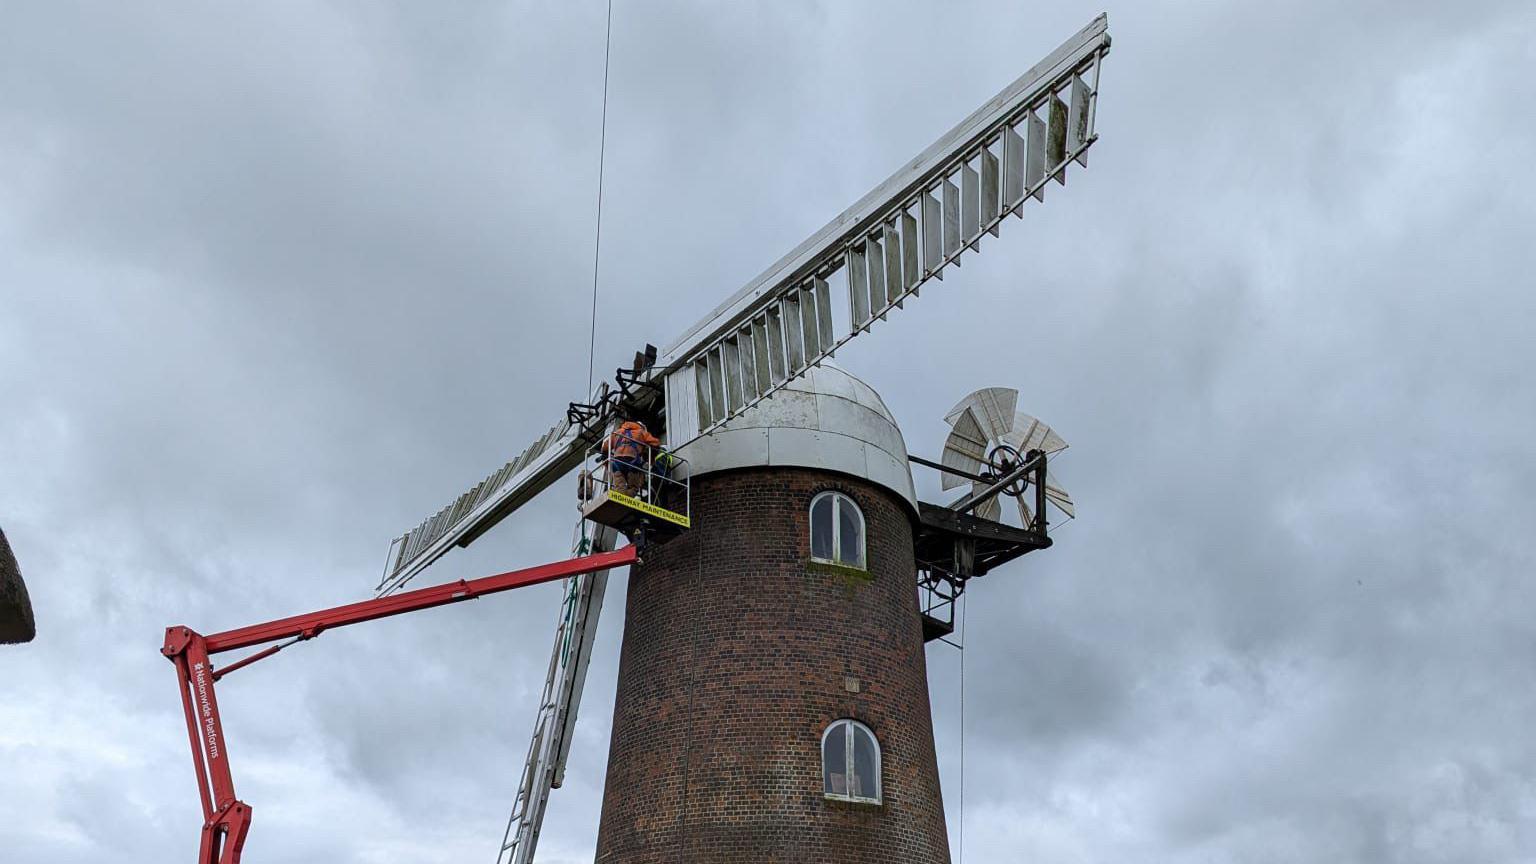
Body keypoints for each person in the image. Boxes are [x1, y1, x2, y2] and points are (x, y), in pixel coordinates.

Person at [603, 417, 660, 497]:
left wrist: (605, 458)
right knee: (633, 488)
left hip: (617, 462)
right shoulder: (641, 432)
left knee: (619, 488)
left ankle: (621, 501)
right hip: (632, 463)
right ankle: (627, 500)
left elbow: (604, 447)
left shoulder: (617, 432)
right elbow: (655, 443)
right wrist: (650, 458)